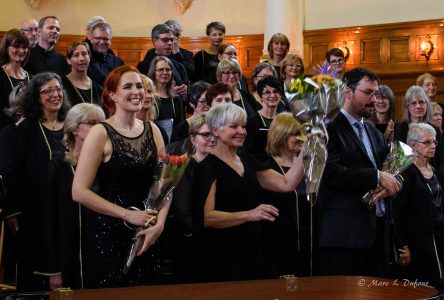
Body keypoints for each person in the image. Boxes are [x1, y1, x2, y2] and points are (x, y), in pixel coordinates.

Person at [72, 65, 167, 288]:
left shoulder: (153, 130)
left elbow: (164, 185)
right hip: (108, 235)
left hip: (147, 233)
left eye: (139, 86)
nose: (136, 91)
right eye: (128, 87)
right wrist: (127, 215)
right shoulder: (100, 133)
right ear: (112, 95)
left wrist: (159, 224)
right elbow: (79, 191)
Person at [193, 103, 305, 282]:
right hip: (222, 255)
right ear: (216, 130)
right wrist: (249, 215)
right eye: (234, 126)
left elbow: (286, 184)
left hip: (255, 251)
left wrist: (308, 148)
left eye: (243, 126)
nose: (242, 131)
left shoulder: (248, 161)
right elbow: (207, 218)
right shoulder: (207, 168)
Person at [317, 67, 400, 277]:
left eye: (376, 93)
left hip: (378, 233)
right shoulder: (329, 128)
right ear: (348, 92)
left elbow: (390, 170)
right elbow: (331, 174)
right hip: (345, 236)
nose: (374, 99)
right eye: (368, 93)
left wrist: (395, 183)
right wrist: (377, 177)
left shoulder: (374, 131)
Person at [2, 72, 71, 292]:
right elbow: (12, 172)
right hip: (35, 209)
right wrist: (11, 210)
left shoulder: (72, 124)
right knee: (36, 272)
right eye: (48, 90)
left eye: (58, 89)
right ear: (36, 96)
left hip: (68, 206)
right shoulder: (25, 128)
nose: (55, 94)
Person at [43, 103, 106, 290]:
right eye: (92, 123)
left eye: (101, 124)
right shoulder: (57, 166)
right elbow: (48, 219)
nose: (98, 129)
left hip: (100, 251)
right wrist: (54, 269)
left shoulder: (106, 164)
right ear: (74, 128)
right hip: (68, 254)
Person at [390, 123, 444, 289]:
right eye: (427, 142)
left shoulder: (433, 169)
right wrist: (402, 246)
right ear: (413, 145)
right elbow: (395, 212)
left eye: (434, 142)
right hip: (417, 244)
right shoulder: (406, 172)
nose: (433, 146)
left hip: (438, 239)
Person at [262, 112, 313, 277]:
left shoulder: (309, 167)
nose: (302, 138)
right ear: (281, 134)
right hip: (279, 244)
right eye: (297, 134)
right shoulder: (266, 167)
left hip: (310, 242)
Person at [170, 113, 216, 283]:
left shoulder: (217, 164)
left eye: (214, 134)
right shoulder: (184, 166)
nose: (212, 139)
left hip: (217, 238)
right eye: (206, 135)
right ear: (192, 138)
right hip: (194, 243)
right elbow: (182, 211)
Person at [137, 24, 188, 98]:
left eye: (172, 39)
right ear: (155, 41)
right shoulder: (143, 66)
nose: (170, 43)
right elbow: (141, 89)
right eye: (165, 40)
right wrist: (168, 91)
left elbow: (186, 88)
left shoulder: (179, 65)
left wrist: (184, 90)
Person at [244, 76, 283, 161]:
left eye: (276, 91)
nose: (272, 95)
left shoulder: (284, 121)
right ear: (261, 96)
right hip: (260, 168)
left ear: (280, 95)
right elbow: (248, 153)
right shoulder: (251, 122)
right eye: (267, 92)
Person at [147, 55, 185, 142]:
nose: (165, 72)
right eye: (160, 70)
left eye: (168, 69)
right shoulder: (148, 98)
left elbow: (180, 126)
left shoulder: (176, 99)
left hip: (173, 145)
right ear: (154, 72)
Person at [0, 29, 31, 131]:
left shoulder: (32, 77)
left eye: (25, 47)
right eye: (16, 46)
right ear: (6, 48)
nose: (21, 51)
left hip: (28, 132)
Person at [62, 41, 103, 106]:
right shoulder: (61, 85)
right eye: (76, 55)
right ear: (68, 60)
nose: (81, 58)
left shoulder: (98, 88)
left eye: (84, 54)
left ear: (89, 57)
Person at [86, 21, 125, 86]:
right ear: (91, 39)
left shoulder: (118, 62)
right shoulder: (85, 61)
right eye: (98, 38)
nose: (102, 42)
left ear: (110, 41)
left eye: (106, 39)